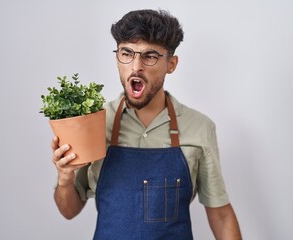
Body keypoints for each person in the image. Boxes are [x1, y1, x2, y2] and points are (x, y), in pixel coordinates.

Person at [51, 9, 242, 240]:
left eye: (150, 56)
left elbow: (221, 215)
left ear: (171, 64)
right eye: (127, 53)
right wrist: (65, 178)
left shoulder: (200, 128)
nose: (136, 66)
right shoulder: (94, 124)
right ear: (117, 57)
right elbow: (69, 210)